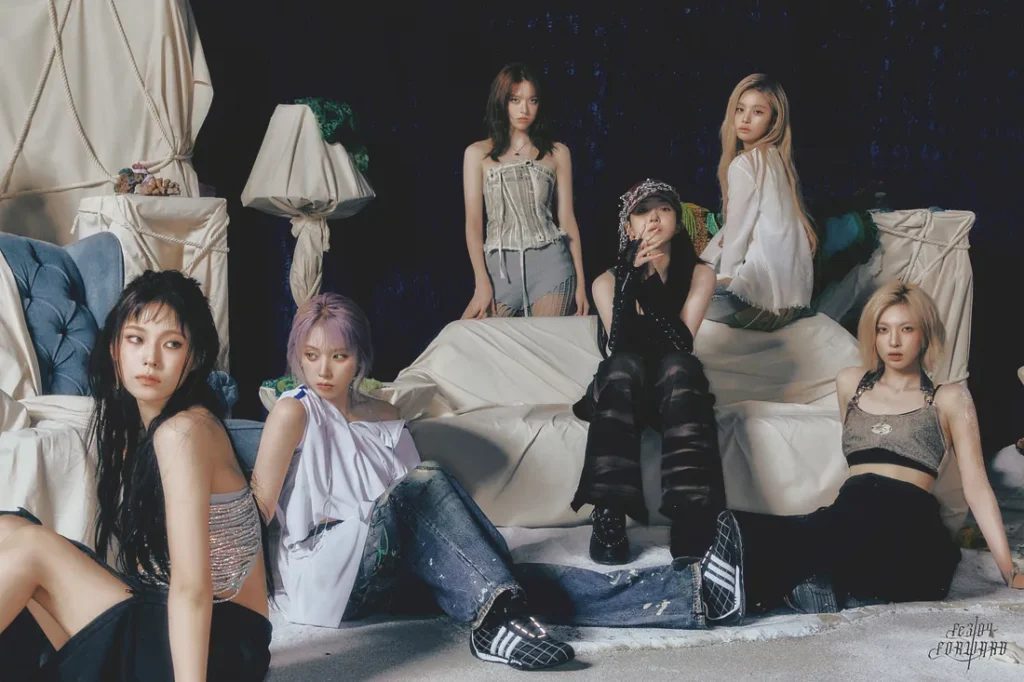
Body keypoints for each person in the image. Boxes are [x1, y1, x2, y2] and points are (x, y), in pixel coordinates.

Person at [0, 270, 273, 681]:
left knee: (33, 549)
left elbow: (191, 588)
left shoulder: (184, 431)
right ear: (115, 348)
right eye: (136, 339)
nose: (151, 359)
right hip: (178, 624)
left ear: (195, 357)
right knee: (10, 528)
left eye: (172, 344)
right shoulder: (145, 428)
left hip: (218, 648)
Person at [701, 281, 1024, 627]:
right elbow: (853, 465)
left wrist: (1009, 570)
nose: (894, 341)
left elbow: (976, 486)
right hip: (854, 515)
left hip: (911, 526)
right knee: (843, 520)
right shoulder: (850, 384)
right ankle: (810, 587)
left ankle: (745, 552)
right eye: (884, 330)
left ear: (925, 335)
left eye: (907, 329)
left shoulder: (949, 398)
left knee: (827, 529)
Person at [571, 179, 724, 565]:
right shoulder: (606, 281)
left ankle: (691, 516)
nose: (654, 217)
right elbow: (620, 346)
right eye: (642, 211)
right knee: (624, 366)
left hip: (671, 390)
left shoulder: (700, 274)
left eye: (664, 208)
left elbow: (680, 345)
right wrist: (631, 281)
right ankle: (608, 514)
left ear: (678, 220)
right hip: (621, 389)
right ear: (629, 227)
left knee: (679, 365)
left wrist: (651, 284)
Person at [462, 62, 589, 319]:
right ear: (502, 101)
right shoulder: (477, 153)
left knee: (542, 344)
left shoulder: (558, 153)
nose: (524, 109)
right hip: (499, 273)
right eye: (515, 100)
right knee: (463, 337)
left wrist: (581, 285)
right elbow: (474, 225)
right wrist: (481, 282)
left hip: (552, 268)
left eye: (532, 100)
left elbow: (567, 220)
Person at [701, 74, 817, 331]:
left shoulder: (745, 164)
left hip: (757, 307)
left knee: (672, 295)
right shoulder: (777, 161)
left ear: (774, 121)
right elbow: (734, 230)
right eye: (740, 109)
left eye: (758, 112)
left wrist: (721, 279)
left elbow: (736, 237)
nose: (745, 119)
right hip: (792, 305)